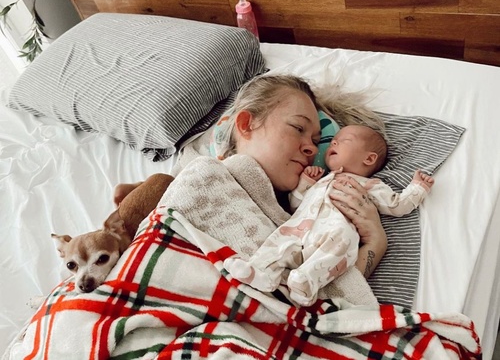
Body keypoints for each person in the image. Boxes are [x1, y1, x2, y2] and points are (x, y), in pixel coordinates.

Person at [114, 75, 388, 288]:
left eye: (316, 141)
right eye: (298, 128)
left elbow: (323, 292)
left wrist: (375, 242)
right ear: (246, 124)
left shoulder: (305, 215)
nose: (312, 149)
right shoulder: (198, 178)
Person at [224, 124, 434, 306]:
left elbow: (396, 205)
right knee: (281, 240)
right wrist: (305, 184)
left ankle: (307, 281)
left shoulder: (369, 185)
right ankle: (260, 270)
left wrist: (418, 188)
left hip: (336, 230)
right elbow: (296, 205)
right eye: (334, 140)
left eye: (344, 141)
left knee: (340, 249)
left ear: (369, 158)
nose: (334, 142)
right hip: (301, 227)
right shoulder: (322, 180)